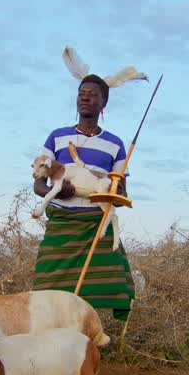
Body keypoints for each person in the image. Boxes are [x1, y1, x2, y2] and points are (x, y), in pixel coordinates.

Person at [31, 49, 145, 321]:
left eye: (92, 94)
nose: (85, 97)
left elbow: (121, 190)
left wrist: (114, 190)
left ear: (103, 102)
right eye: (82, 93)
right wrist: (57, 191)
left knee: (98, 290)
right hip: (62, 224)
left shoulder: (115, 145)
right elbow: (38, 185)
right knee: (48, 290)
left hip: (96, 223)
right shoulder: (57, 138)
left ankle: (84, 343)